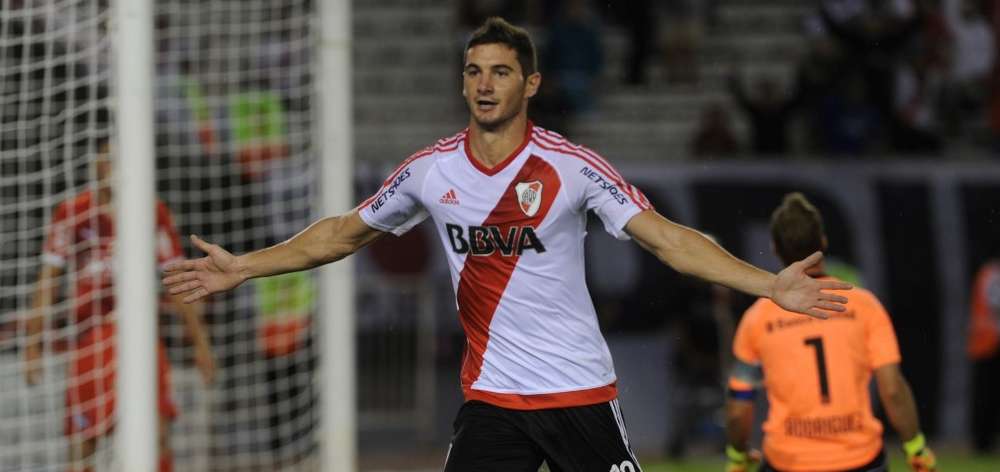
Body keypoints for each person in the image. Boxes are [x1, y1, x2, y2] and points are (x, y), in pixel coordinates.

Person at [163, 18, 850, 472]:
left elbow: (669, 240)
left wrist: (769, 285)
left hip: (578, 392)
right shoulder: (431, 171)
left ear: (531, 83)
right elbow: (344, 232)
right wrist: (244, 266)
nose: (484, 84)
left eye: (499, 71)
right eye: (473, 71)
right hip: (493, 400)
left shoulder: (572, 168)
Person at [24, 137, 216, 472]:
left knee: (158, 433)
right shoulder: (73, 212)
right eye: (107, 158)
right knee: (83, 444)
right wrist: (32, 344)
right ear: (95, 165)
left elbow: (177, 280)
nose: (113, 166)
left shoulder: (151, 212)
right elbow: (48, 280)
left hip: (141, 338)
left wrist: (200, 343)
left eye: (120, 159)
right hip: (91, 340)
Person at [724, 193, 936, 472]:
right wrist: (915, 447)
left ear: (774, 248)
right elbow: (893, 389)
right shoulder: (864, 305)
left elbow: (739, 407)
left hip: (789, 462)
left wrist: (738, 455)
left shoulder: (757, 317)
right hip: (860, 460)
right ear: (823, 242)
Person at [967, 258, 1000, 453]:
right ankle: (982, 443)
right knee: (986, 397)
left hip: (987, 343)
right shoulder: (990, 273)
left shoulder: (987, 272)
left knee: (987, 396)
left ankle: (984, 442)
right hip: (988, 344)